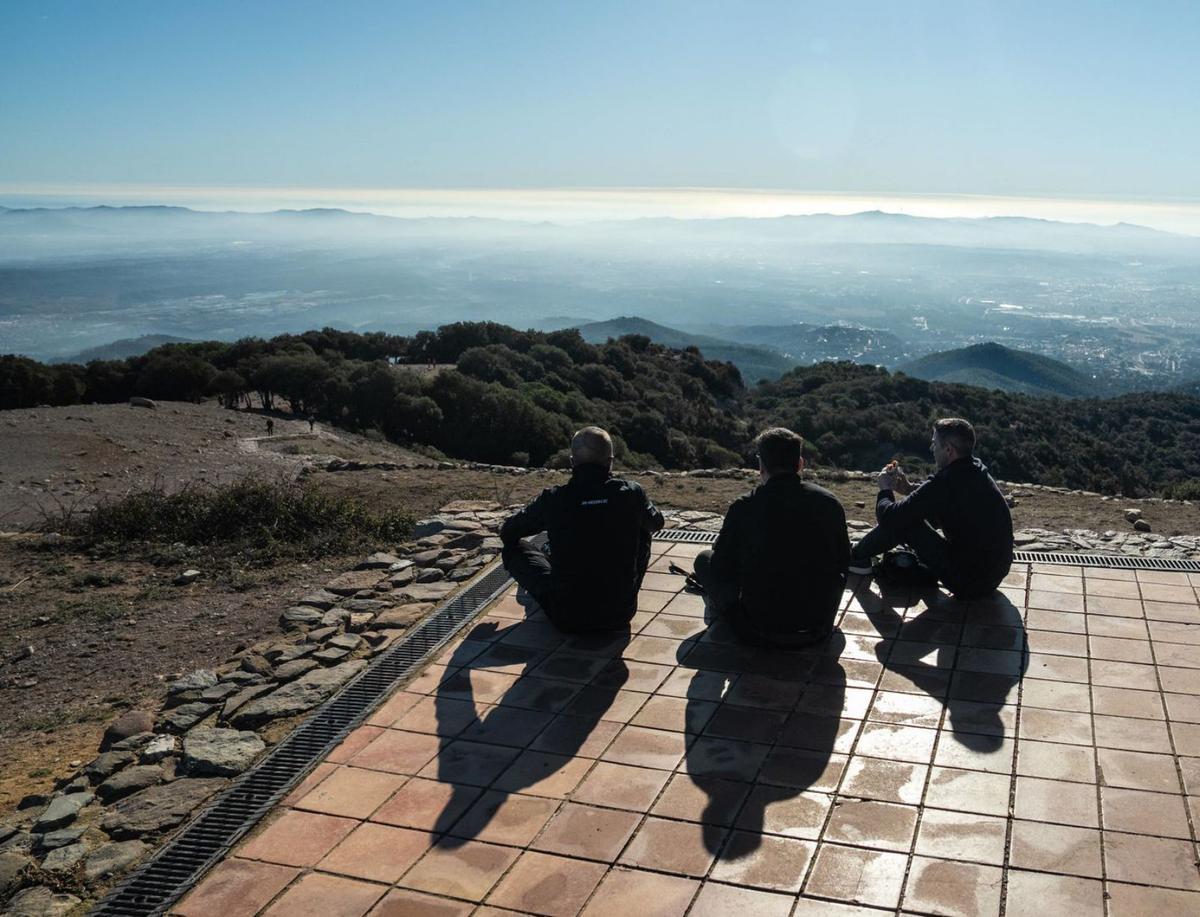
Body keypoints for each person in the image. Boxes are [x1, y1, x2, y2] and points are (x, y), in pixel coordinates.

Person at [692, 427, 849, 647]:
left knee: (704, 560)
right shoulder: (830, 503)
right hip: (817, 628)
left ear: (761, 465)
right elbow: (844, 561)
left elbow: (721, 570)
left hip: (759, 630)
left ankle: (722, 613)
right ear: (800, 463)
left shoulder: (744, 506)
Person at [500, 426, 664, 632]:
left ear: (572, 462)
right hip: (620, 614)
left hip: (567, 616)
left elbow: (508, 532)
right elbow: (657, 523)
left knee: (512, 550)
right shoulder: (631, 493)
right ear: (610, 461)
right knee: (643, 529)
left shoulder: (554, 499)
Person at [849, 417, 1013, 598]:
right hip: (992, 576)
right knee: (913, 514)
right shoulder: (974, 470)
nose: (931, 448)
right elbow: (937, 499)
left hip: (969, 582)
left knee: (906, 522)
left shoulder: (946, 482)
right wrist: (909, 489)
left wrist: (885, 490)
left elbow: (889, 518)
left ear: (949, 450)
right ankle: (859, 557)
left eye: (935, 444)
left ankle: (855, 557)